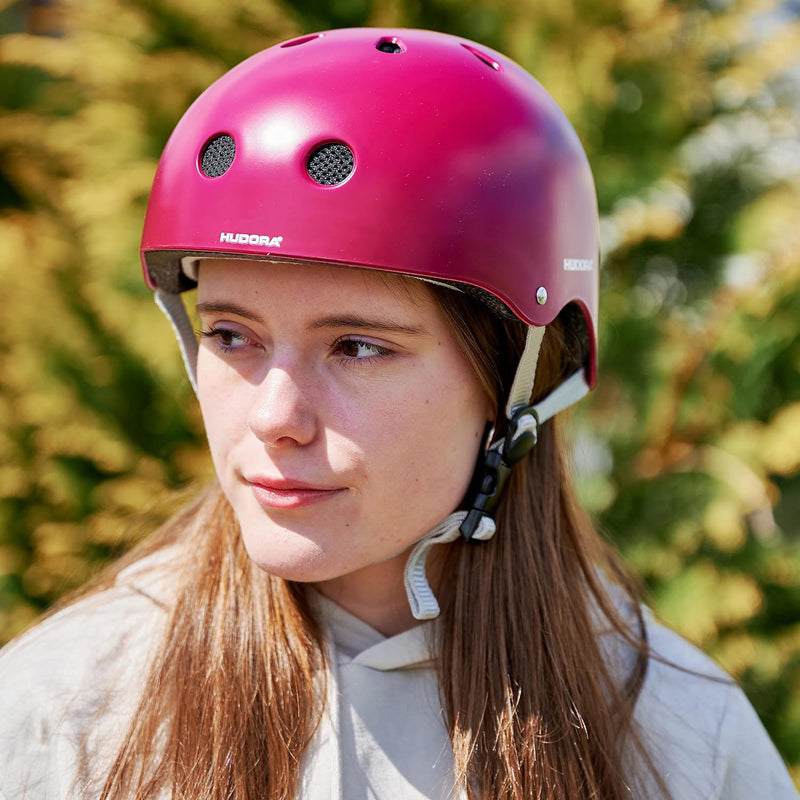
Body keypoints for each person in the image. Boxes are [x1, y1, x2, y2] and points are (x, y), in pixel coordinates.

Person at [0, 27, 796, 800]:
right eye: (231, 334)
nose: (275, 417)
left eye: (356, 347)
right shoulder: (64, 714)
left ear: (518, 381)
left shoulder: (682, 736)